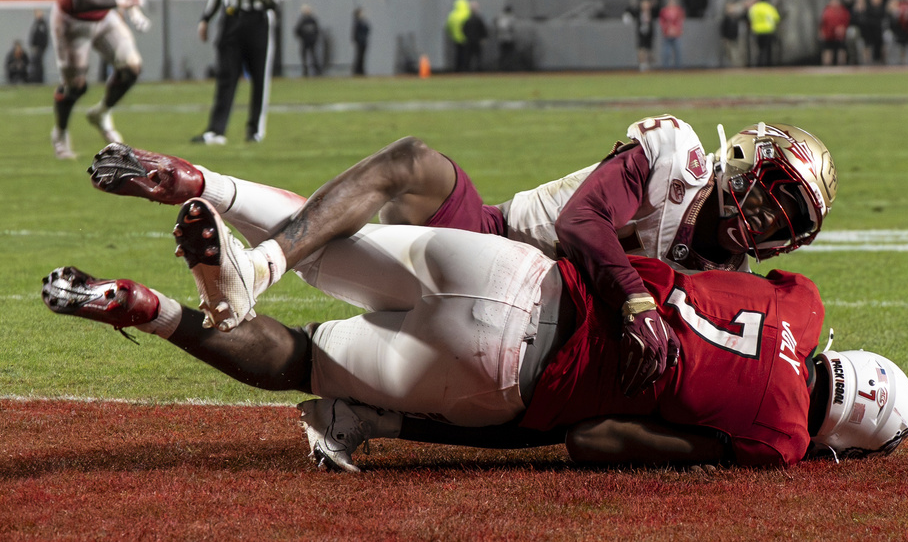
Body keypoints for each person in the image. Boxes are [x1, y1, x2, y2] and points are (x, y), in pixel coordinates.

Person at [41, 206, 908, 472]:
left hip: (520, 272)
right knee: (302, 358)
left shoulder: (804, 302)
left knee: (327, 239)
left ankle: (230, 216)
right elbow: (597, 438)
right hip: (505, 372)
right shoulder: (781, 440)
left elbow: (733, 272)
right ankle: (153, 309)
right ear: (841, 438)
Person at [87, 116, 837, 395]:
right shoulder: (676, 155)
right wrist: (635, 300)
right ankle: (247, 259)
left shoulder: (729, 283)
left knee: (355, 250)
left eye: (789, 218)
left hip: (541, 329)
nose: (770, 215)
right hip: (494, 239)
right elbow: (582, 221)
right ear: (746, 160)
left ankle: (212, 194)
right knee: (411, 163)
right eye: (776, 192)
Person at [48, 0, 150, 160]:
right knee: (76, 86)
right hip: (73, 21)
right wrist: (120, 2)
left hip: (103, 17)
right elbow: (81, 0)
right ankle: (60, 132)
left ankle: (102, 112)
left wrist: (132, 7)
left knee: (132, 67)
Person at [194, 0, 292, 145]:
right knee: (225, 75)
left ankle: (255, 130)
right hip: (230, 18)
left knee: (259, 77)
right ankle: (216, 131)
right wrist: (206, 18)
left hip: (258, 19)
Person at [747, 0, 780, 67]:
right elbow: (776, 18)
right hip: (768, 30)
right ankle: (768, 65)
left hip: (757, 31)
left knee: (759, 49)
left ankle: (759, 65)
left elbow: (750, 18)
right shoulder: (769, 7)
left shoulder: (754, 8)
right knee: (768, 49)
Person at [818, 0, 850, 66]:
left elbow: (846, 21)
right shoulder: (826, 11)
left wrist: (843, 29)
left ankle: (842, 66)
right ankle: (826, 67)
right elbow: (822, 23)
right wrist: (822, 32)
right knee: (828, 52)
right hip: (829, 35)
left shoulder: (843, 11)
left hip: (840, 36)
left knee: (841, 52)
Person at [293, 4, 321, 77]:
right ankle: (305, 70)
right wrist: (301, 38)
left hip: (312, 42)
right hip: (305, 42)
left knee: (313, 56)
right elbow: (297, 30)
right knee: (304, 57)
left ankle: (317, 70)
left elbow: (317, 30)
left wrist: (314, 38)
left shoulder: (312, 20)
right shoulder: (302, 20)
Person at [658, 0, 684, 69]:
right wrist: (667, 29)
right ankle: (666, 67)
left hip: (676, 34)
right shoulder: (664, 11)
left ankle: (678, 67)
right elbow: (662, 22)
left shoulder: (678, 11)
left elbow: (680, 22)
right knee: (666, 52)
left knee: (678, 51)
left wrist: (677, 30)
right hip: (667, 34)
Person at [446, 0, 471, 72]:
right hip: (466, 38)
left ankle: (458, 68)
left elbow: (448, 27)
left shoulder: (452, 15)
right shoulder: (467, 14)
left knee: (458, 54)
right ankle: (465, 68)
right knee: (466, 54)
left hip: (456, 38)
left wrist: (452, 34)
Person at [463, 1, 488, 72]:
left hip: (469, 40)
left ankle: (467, 70)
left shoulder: (467, 19)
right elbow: (483, 29)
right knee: (478, 56)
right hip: (477, 40)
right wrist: (483, 38)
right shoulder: (478, 19)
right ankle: (479, 69)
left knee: (468, 56)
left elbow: (464, 30)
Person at [28, 9, 49, 83]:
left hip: (40, 48)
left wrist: (42, 47)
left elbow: (44, 37)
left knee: (39, 64)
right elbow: (32, 36)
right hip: (35, 48)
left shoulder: (43, 24)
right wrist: (33, 45)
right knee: (35, 64)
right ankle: (35, 79)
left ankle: (39, 79)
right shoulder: (35, 23)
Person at [495, 5, 516, 71]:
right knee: (509, 55)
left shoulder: (500, 17)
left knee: (503, 54)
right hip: (509, 39)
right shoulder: (510, 17)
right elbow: (512, 28)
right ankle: (509, 68)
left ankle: (502, 68)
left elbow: (497, 28)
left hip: (501, 39)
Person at [351, 7, 370, 76]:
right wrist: (357, 40)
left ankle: (361, 70)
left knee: (362, 57)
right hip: (360, 41)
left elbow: (368, 29)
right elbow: (355, 32)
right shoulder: (358, 22)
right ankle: (358, 70)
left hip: (364, 41)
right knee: (359, 56)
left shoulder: (363, 21)